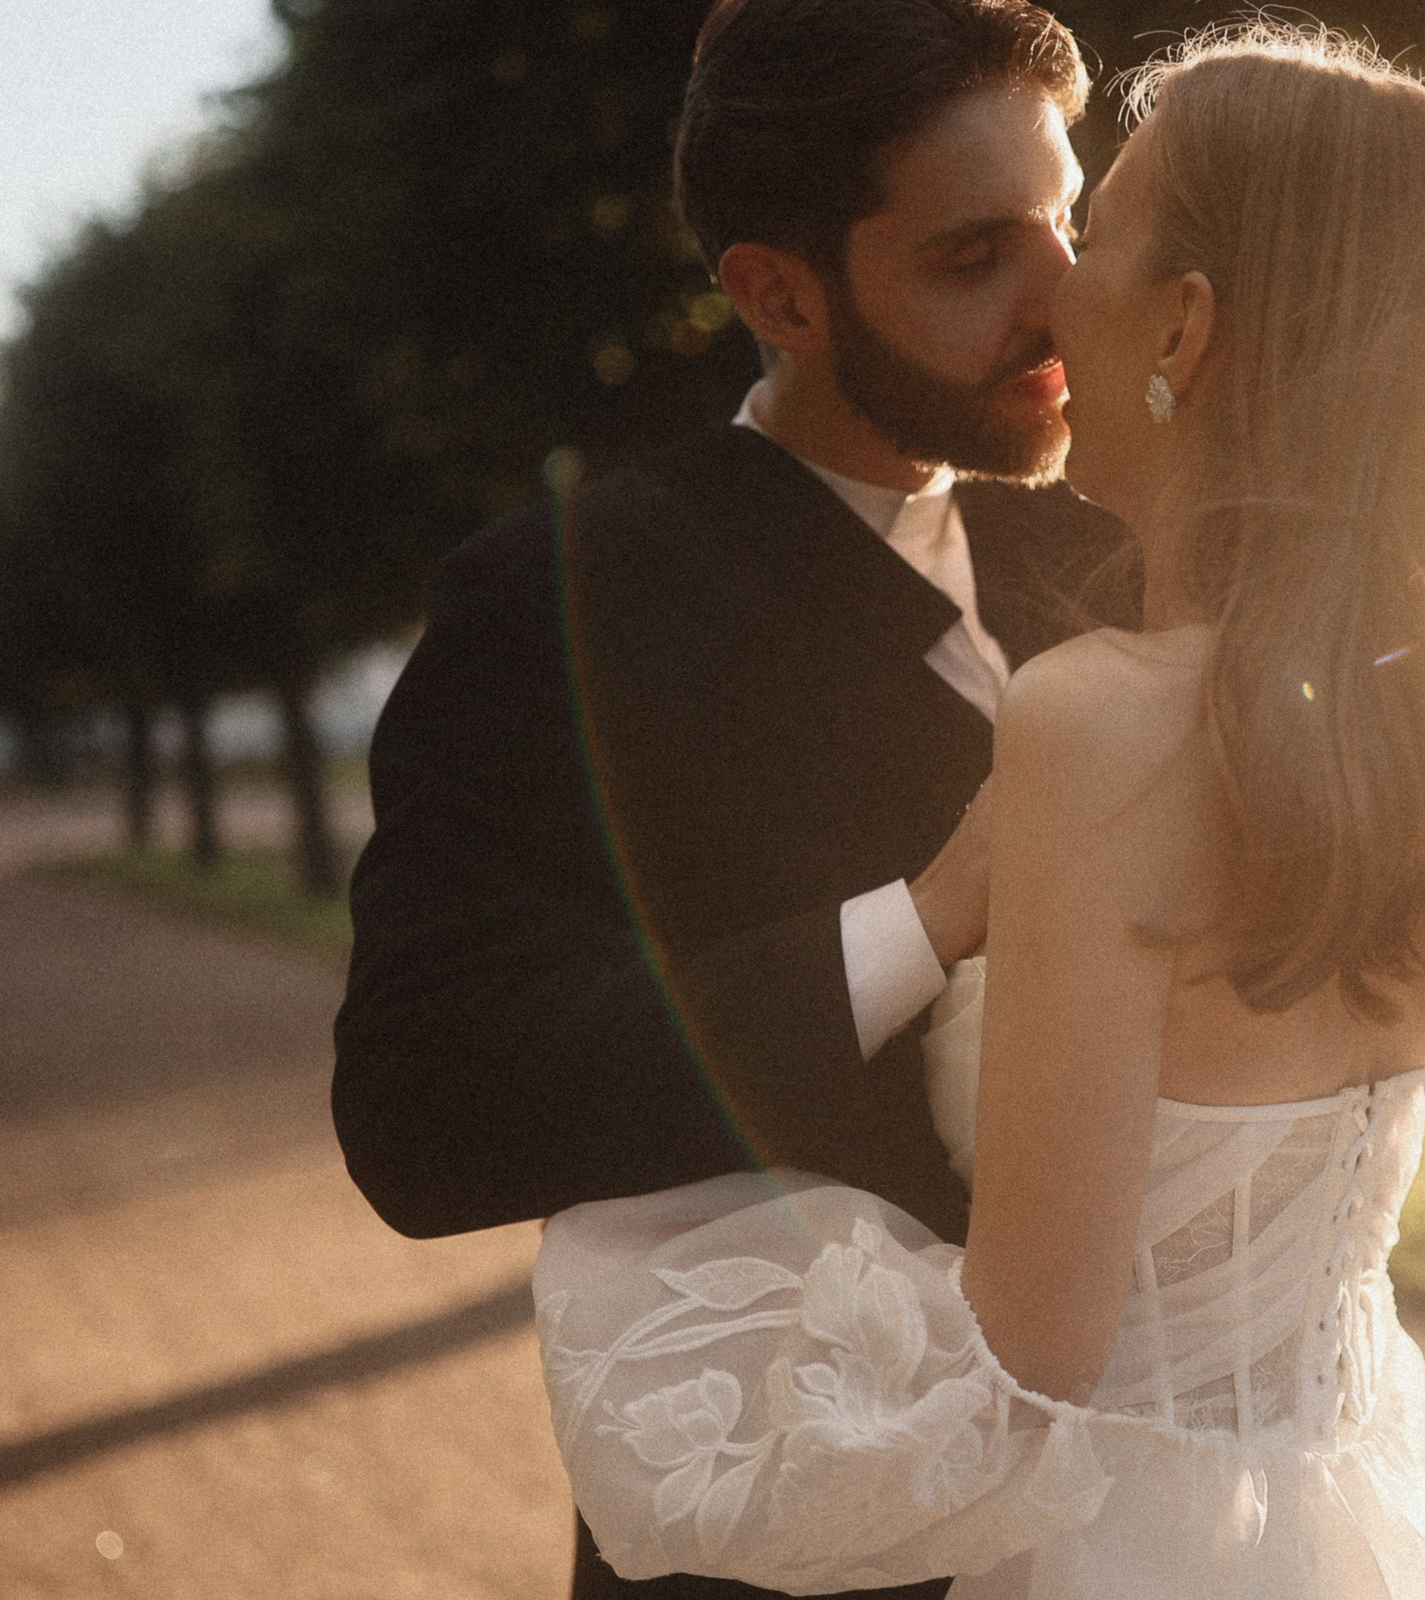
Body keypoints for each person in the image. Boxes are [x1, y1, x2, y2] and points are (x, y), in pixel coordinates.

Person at [532, 23, 1425, 1600]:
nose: (1051, 292)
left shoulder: (1105, 722)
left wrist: (660, 1330)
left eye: (1092, 232)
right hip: (1342, 1517)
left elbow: (1026, 1371)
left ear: (1183, 328)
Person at [330, 0, 1127, 1595]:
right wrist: (923, 921)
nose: (1063, 300)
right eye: (975, 259)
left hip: (1151, 1508)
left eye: (1069, 224)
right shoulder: (558, 602)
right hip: (801, 1553)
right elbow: (421, 1117)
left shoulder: (1120, 542)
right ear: (778, 294)